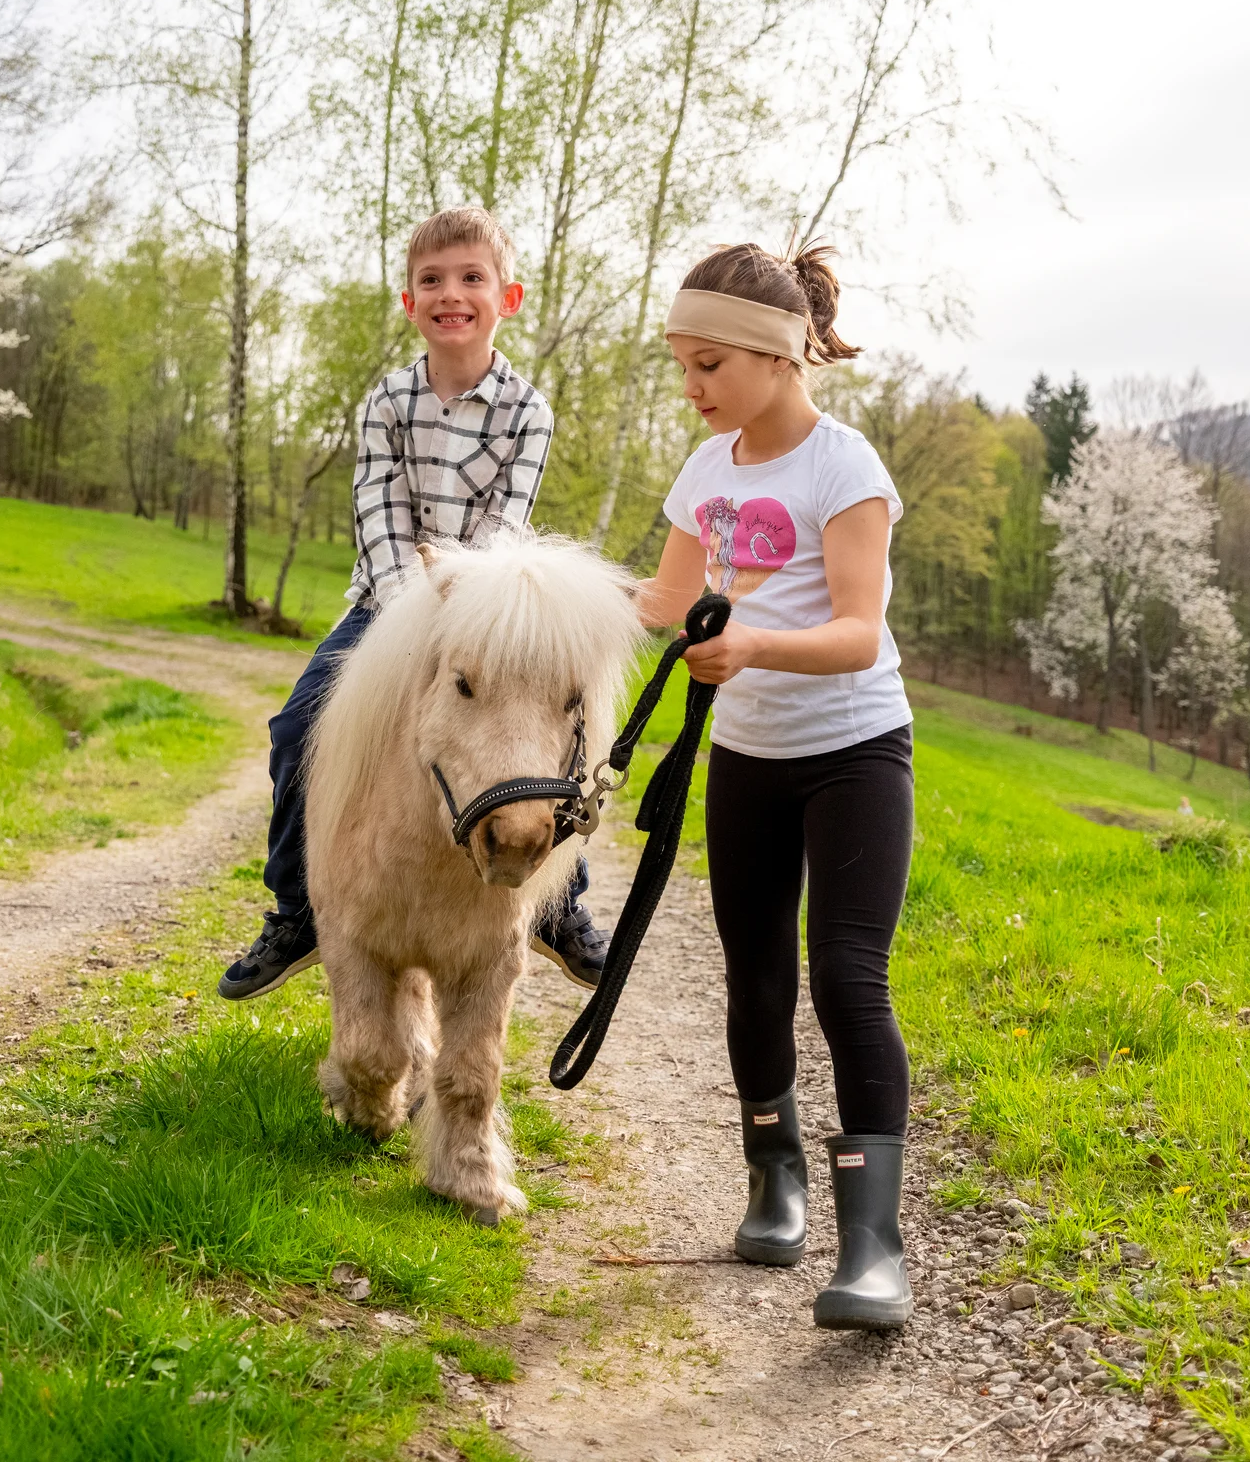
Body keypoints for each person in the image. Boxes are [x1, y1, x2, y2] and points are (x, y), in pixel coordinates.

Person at [219, 207, 609, 1001]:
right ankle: (296, 907)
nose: (450, 294)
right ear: (408, 302)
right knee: (298, 729)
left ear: (511, 297)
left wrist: (465, 613)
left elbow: (506, 528)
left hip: (495, 616)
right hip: (386, 606)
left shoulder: (526, 409)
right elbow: (378, 516)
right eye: (431, 280)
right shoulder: (388, 402)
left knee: (543, 742)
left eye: (472, 278)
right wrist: (413, 619)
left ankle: (560, 906)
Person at [638, 241, 916, 1331]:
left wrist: (749, 645)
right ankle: (775, 1181)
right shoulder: (702, 475)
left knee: (846, 981)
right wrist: (519, 591)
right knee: (751, 982)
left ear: (773, 353)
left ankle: (873, 1249)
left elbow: (856, 635)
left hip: (853, 754)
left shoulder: (843, 468)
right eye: (683, 364)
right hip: (745, 760)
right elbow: (659, 601)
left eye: (707, 365)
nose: (691, 387)